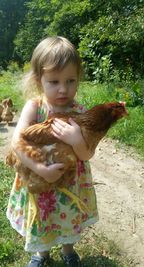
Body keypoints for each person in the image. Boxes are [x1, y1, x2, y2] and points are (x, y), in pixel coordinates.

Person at [6, 36, 99, 267]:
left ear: (79, 79)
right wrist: (39, 168)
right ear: (40, 81)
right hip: (39, 177)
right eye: (54, 81)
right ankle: (41, 254)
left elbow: (87, 154)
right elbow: (17, 142)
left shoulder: (80, 111)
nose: (63, 89)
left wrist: (76, 140)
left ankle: (68, 249)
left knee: (68, 216)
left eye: (70, 80)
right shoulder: (35, 107)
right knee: (43, 217)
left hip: (70, 183)